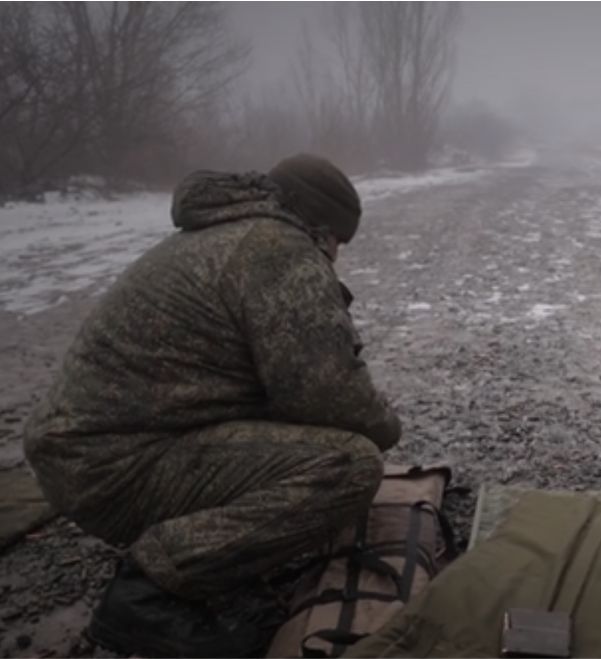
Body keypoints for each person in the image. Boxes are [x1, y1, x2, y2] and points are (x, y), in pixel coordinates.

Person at [23, 154, 401, 657]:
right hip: (114, 470)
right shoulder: (277, 249)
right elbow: (328, 396)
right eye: (336, 239)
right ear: (317, 224)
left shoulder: (225, 234)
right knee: (350, 464)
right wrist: (387, 428)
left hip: (89, 455)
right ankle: (147, 593)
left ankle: (200, 562)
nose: (334, 254)